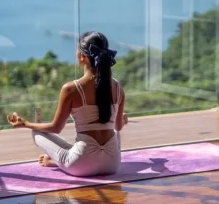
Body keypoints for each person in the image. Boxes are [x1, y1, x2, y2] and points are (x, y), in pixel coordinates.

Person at [7, 31, 128, 177]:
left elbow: (55, 128)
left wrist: (26, 124)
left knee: (37, 132)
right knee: (113, 131)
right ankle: (62, 160)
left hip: (81, 165)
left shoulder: (71, 89)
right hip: (112, 164)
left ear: (82, 57)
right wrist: (120, 119)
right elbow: (118, 126)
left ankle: (60, 162)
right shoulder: (118, 87)